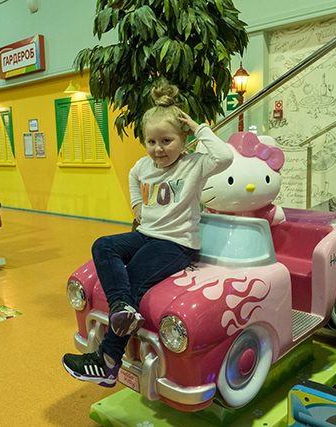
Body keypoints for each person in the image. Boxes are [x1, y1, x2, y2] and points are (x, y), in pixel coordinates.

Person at [62, 80, 234, 387]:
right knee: (103, 245)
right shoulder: (144, 166)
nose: (158, 149)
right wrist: (136, 204)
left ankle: (107, 361)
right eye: (151, 142)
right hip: (146, 234)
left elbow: (225, 157)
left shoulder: (194, 164)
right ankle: (121, 307)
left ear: (183, 139)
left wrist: (198, 128)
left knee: (134, 278)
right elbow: (133, 176)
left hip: (176, 243)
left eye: (167, 140)